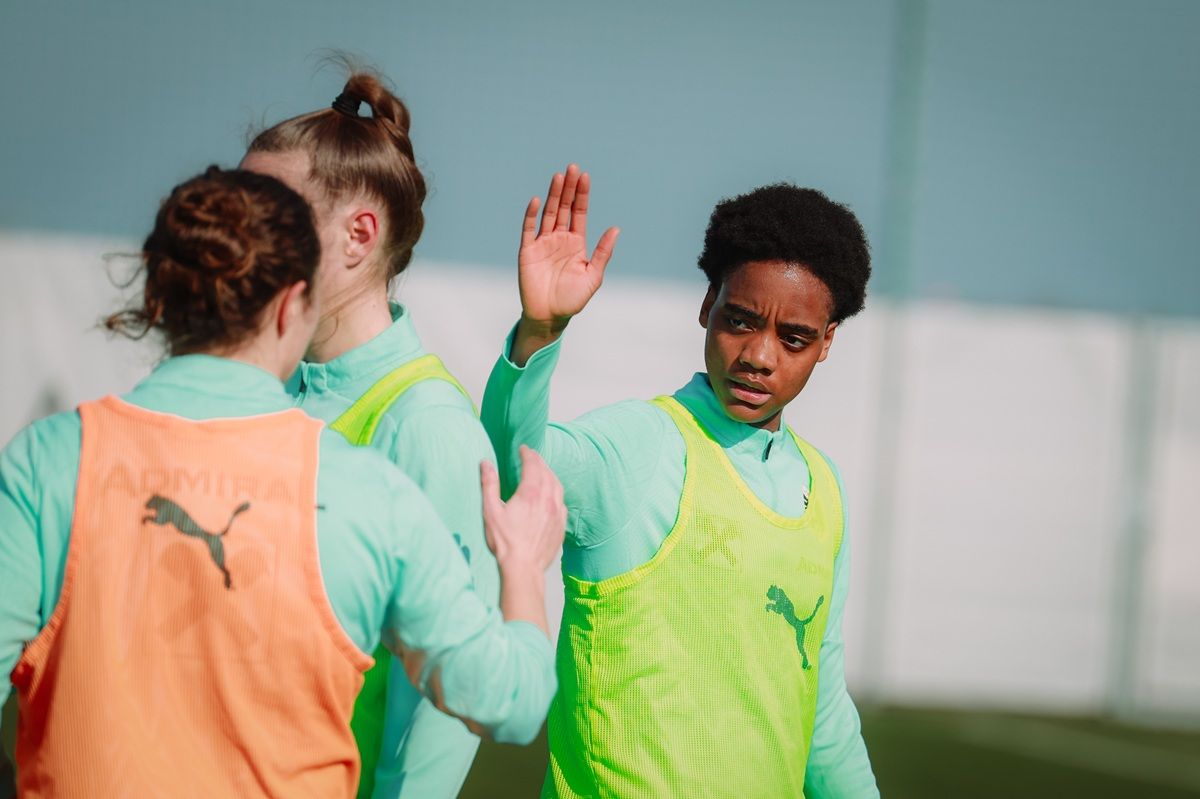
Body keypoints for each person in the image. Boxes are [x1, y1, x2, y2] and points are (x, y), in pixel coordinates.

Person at [0, 167, 564, 798]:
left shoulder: (46, 462)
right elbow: (511, 701)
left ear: (156, 297)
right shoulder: (368, 492)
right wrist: (522, 567)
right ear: (295, 303)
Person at [481, 165, 880, 797]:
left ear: (827, 341)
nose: (759, 356)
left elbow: (824, 708)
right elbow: (513, 471)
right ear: (706, 305)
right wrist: (540, 332)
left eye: (794, 338)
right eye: (741, 321)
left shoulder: (823, 490)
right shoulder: (641, 443)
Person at [238, 68, 500, 799]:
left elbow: (442, 708)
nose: (234, 239)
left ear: (359, 235)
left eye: (266, 216)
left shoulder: (429, 428)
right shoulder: (255, 386)